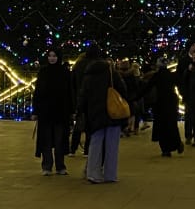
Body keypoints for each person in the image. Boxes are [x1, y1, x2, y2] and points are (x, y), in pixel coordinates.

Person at [76, 52, 126, 183]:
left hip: (95, 113)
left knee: (95, 143)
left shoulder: (88, 75)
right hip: (112, 112)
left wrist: (80, 110)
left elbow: (83, 96)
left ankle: (93, 173)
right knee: (112, 144)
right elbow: (123, 89)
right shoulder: (112, 73)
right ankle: (110, 174)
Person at [32, 48, 73, 176]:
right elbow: (38, 92)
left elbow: (70, 92)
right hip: (45, 112)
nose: (52, 58)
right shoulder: (43, 72)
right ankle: (47, 166)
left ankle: (60, 166)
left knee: (60, 140)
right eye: (50, 56)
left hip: (61, 112)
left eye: (54, 56)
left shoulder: (65, 72)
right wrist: (35, 110)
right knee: (46, 141)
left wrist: (71, 110)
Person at [145, 58, 183, 157]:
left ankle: (165, 149)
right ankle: (177, 143)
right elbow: (181, 86)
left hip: (160, 102)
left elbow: (147, 88)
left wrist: (135, 98)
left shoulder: (156, 76)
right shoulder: (172, 75)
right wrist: (185, 97)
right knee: (172, 124)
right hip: (171, 102)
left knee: (161, 126)